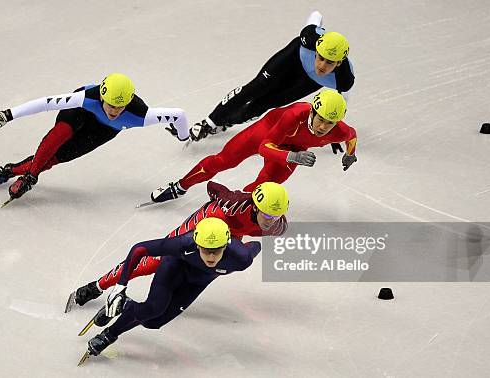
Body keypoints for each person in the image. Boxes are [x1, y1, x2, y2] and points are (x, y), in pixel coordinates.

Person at [66, 181, 289, 313]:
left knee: (212, 268)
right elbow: (213, 187)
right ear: (255, 207)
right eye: (266, 213)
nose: (269, 219)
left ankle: (165, 294)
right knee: (152, 262)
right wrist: (219, 197)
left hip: (228, 236)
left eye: (275, 215)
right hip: (206, 221)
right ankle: (96, 286)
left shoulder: (276, 227)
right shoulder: (235, 203)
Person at [0, 73, 190, 200]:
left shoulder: (142, 115)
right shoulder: (86, 98)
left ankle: (10, 170)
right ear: (101, 97)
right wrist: (7, 115)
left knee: (57, 157)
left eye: (121, 107)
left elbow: (179, 115)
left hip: (104, 131)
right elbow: (45, 103)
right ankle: (31, 176)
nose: (115, 111)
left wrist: (182, 136)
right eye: (111, 105)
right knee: (58, 135)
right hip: (80, 113)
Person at [79, 217, 262, 362]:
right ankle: (109, 335)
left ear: (227, 245)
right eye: (205, 250)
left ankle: (125, 306)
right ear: (197, 244)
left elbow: (255, 246)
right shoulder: (184, 243)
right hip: (174, 268)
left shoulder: (241, 258)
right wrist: (121, 285)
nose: (211, 256)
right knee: (154, 307)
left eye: (217, 250)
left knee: (153, 323)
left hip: (197, 282)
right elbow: (139, 249)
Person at [189, 11, 354, 155]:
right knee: (256, 87)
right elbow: (317, 15)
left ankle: (226, 121)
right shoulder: (310, 37)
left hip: (308, 81)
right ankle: (209, 122)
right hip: (292, 59)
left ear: (339, 63)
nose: (322, 66)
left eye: (330, 63)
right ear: (316, 50)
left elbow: (337, 108)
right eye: (320, 58)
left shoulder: (345, 79)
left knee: (265, 104)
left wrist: (332, 132)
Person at [150, 89, 357, 204]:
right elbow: (264, 147)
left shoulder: (340, 131)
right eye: (320, 119)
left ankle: (230, 206)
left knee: (262, 189)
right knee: (223, 161)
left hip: (295, 150)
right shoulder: (293, 115)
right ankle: (180, 186)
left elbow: (352, 136)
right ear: (312, 111)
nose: (323, 127)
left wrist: (350, 154)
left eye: (329, 123)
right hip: (266, 133)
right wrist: (292, 157)